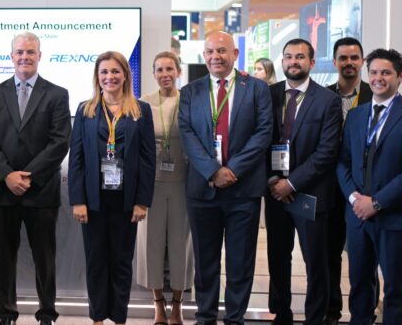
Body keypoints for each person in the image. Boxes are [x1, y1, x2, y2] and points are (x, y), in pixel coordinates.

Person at [178, 31, 272, 325]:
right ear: (204, 55)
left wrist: (233, 170)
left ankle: (234, 318)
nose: (215, 57)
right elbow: (187, 134)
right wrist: (213, 170)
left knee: (240, 261)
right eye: (210, 51)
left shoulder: (256, 89)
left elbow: (263, 132)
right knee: (205, 261)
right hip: (202, 189)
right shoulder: (190, 91)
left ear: (235, 54)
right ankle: (205, 317)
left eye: (221, 51)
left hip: (243, 190)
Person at [0, 32, 71, 325]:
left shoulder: (57, 94)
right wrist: (7, 175)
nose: (25, 57)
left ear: (39, 56)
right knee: (5, 258)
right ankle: (6, 314)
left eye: (30, 52)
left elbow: (59, 142)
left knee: (44, 258)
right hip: (2, 190)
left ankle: (47, 314)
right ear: (11, 56)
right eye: (19, 52)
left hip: (40, 191)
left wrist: (28, 176)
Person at [337, 48, 402, 325]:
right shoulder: (356, 115)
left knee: (395, 290)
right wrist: (354, 198)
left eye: (386, 73)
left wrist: (375, 203)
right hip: (358, 218)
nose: (378, 78)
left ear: (400, 76)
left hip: (396, 218)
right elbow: (343, 162)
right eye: (374, 72)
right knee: (359, 284)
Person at [69, 51, 155, 325]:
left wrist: (142, 201)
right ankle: (97, 319)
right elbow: (77, 157)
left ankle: (119, 319)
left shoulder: (141, 110)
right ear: (97, 76)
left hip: (126, 200)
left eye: (115, 71)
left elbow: (147, 158)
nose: (110, 77)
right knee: (95, 262)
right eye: (104, 72)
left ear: (125, 75)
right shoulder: (85, 110)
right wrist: (77, 200)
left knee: (121, 262)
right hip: (93, 200)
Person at [264, 38, 342, 325]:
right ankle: (281, 313)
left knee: (315, 261)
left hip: (310, 193)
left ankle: (315, 317)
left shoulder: (328, 100)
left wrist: (292, 183)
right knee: (277, 257)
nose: (293, 61)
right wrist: (274, 181)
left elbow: (327, 151)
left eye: (299, 56)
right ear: (282, 61)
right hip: (274, 192)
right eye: (288, 56)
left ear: (311, 62)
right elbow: (259, 140)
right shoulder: (268, 95)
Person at [135, 51, 193, 325]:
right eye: (159, 69)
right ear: (154, 73)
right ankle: (158, 304)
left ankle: (178, 304)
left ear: (178, 71)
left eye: (170, 69)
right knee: (151, 245)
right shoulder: (143, 103)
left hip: (183, 183)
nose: (165, 74)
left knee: (182, 245)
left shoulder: (189, 102)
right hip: (152, 184)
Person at [324, 37, 373, 325]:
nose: (349, 63)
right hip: (329, 189)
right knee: (329, 254)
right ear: (335, 62)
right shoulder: (322, 96)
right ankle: (331, 311)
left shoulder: (374, 94)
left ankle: (363, 314)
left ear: (362, 61)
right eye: (343, 58)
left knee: (364, 256)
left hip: (364, 191)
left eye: (354, 57)